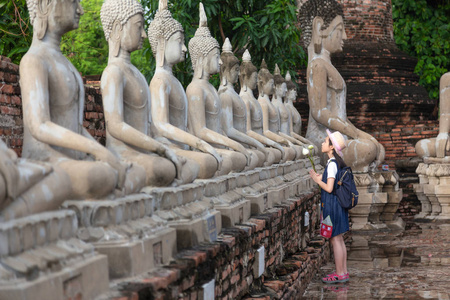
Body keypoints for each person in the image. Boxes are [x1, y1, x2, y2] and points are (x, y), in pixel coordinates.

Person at [309, 129, 349, 283]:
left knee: (335, 239)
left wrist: (317, 180)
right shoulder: (336, 163)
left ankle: (339, 273)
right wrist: (322, 178)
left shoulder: (332, 164)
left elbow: (330, 188)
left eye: (325, 141)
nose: (322, 143)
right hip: (339, 206)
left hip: (333, 206)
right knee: (339, 239)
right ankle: (343, 272)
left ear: (332, 147)